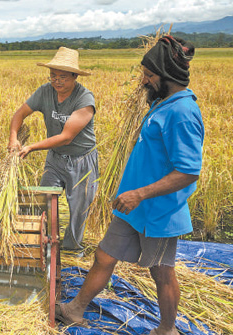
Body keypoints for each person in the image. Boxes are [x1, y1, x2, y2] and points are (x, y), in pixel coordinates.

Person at [55, 36, 204, 335]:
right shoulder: (164, 104)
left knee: (161, 273)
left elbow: (188, 171)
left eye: (149, 75)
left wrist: (140, 193)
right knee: (104, 255)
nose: (144, 81)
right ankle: (74, 310)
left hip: (157, 211)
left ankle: (166, 330)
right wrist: (132, 194)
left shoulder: (182, 113)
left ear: (167, 75)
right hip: (132, 206)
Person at [8, 47, 98, 255]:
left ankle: (71, 251)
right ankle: (42, 243)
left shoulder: (85, 99)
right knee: (45, 200)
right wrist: (14, 138)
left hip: (81, 160)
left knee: (78, 209)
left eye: (63, 77)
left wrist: (30, 147)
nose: (57, 81)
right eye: (53, 76)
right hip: (55, 158)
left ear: (75, 76)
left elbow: (66, 136)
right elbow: (19, 114)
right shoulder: (44, 92)